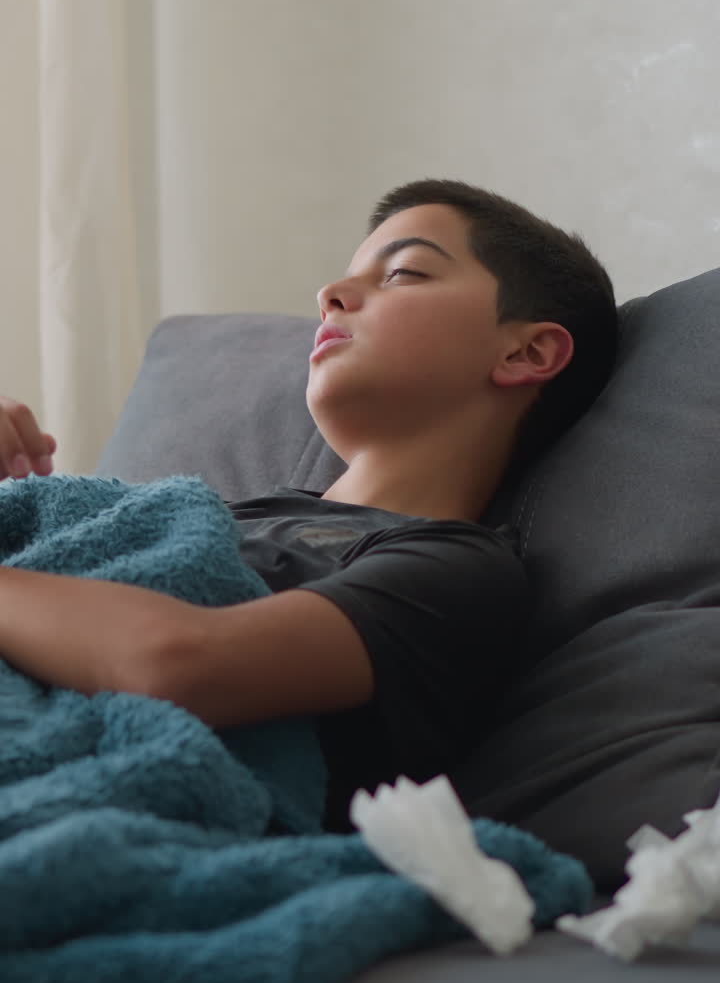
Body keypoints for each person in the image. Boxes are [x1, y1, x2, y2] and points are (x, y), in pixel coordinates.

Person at [0, 179, 617, 831]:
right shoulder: (203, 518)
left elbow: (177, 664)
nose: (331, 295)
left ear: (526, 352)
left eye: (404, 272)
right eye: (348, 276)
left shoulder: (454, 569)